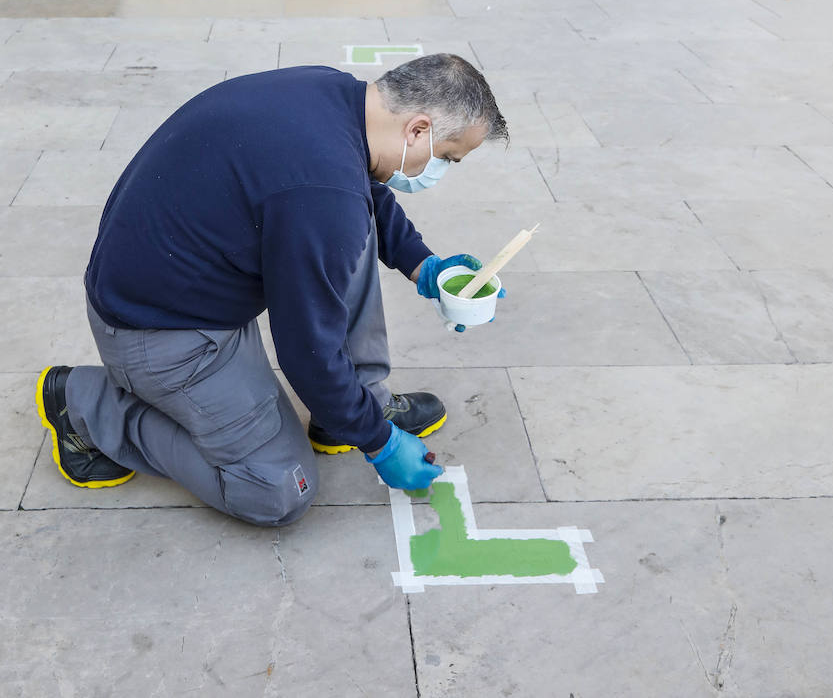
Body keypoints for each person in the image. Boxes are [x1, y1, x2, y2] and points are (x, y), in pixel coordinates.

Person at [35, 54, 508, 526]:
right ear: (418, 129)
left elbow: (359, 185)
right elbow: (306, 352)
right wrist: (377, 442)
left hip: (174, 279)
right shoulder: (324, 194)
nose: (440, 170)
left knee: (343, 217)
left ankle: (351, 403)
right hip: (162, 334)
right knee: (278, 491)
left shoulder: (337, 97)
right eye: (446, 157)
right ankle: (85, 405)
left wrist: (423, 265)